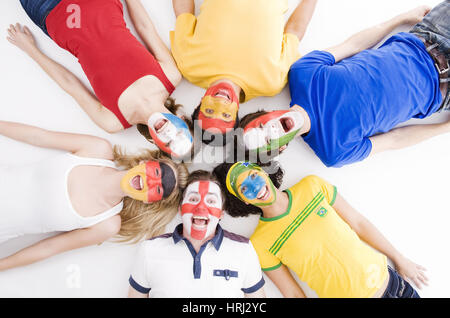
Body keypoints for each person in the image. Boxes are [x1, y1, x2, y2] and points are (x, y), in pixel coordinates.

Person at [240, 3, 450, 167]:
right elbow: (395, 140)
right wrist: (444, 128)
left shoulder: (302, 74)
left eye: (261, 127)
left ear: (267, 113)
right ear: (282, 148)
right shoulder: (334, 151)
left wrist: (402, 18)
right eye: (268, 141)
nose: (271, 130)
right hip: (445, 90)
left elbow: (354, 45)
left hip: (431, 33)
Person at [213, 161, 428, 298]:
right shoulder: (260, 244)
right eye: (244, 188)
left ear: (262, 171)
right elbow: (294, 293)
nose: (255, 187)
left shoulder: (312, 186)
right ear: (244, 201)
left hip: (396, 287)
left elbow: (359, 223)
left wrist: (400, 258)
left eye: (252, 176)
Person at [8, 0, 193, 158]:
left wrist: (31, 50)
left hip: (50, 10)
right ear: (182, 118)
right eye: (180, 134)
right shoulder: (170, 76)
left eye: (168, 144)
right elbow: (145, 27)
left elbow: (70, 84)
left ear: (154, 141)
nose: (170, 134)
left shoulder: (113, 121)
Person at [0, 120, 189, 271]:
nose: (150, 181)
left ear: (148, 200)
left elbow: (48, 248)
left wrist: (2, 266)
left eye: (157, 190)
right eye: (155, 173)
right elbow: (38, 136)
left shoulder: (107, 224)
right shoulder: (96, 149)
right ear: (144, 162)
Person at [170, 0, 317, 141]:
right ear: (236, 112)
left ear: (201, 103)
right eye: (226, 115)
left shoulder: (189, 65)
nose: (220, 103)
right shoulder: (270, 82)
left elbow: (184, 12)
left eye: (209, 111)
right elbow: (295, 31)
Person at [128, 170, 265, 298]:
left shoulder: (243, 250)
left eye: (211, 201)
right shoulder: (150, 250)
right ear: (181, 208)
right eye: (193, 199)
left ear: (221, 213)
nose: (201, 207)